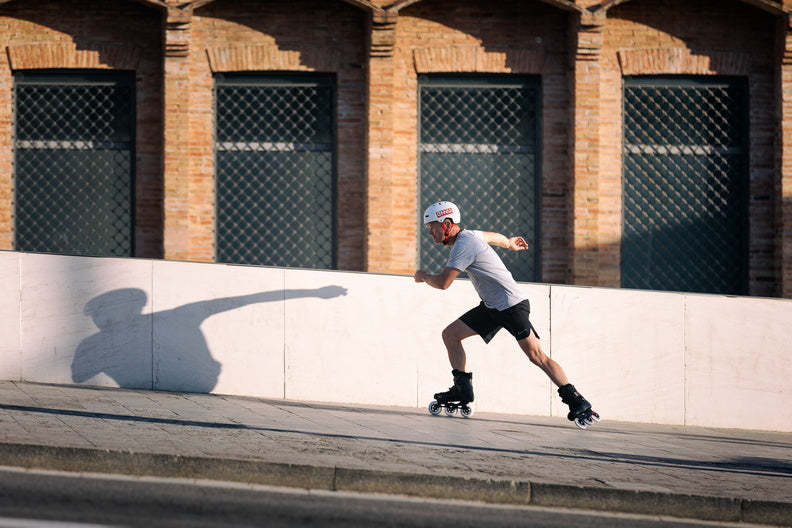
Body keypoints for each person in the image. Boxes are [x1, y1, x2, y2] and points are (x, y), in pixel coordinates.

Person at [413, 201, 599, 428]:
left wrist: (423, 276)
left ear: (447, 224)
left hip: (512, 306)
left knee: (536, 355)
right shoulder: (470, 236)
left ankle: (577, 401)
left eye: (432, 227)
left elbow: (443, 283)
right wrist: (509, 243)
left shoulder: (464, 245)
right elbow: (493, 237)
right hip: (492, 307)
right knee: (450, 335)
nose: (430, 232)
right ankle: (462, 389)